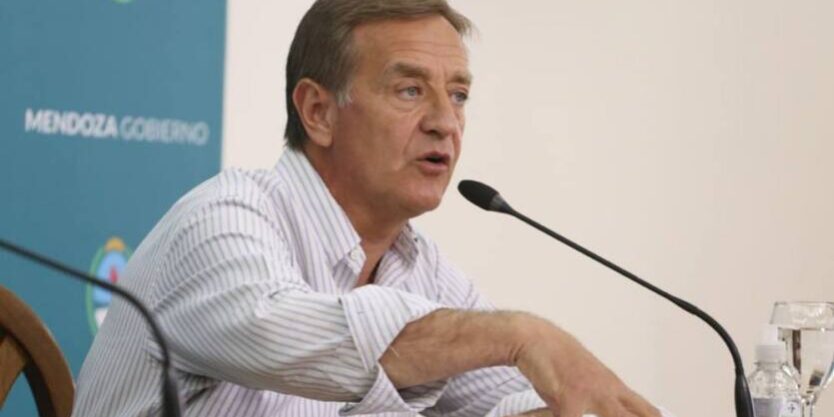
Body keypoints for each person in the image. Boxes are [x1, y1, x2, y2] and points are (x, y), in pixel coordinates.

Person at [72, 1, 667, 416]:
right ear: (318, 112)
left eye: (458, 95)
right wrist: (519, 334)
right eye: (410, 90)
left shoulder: (423, 270)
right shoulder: (224, 220)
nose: (445, 122)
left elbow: (507, 402)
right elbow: (297, 338)